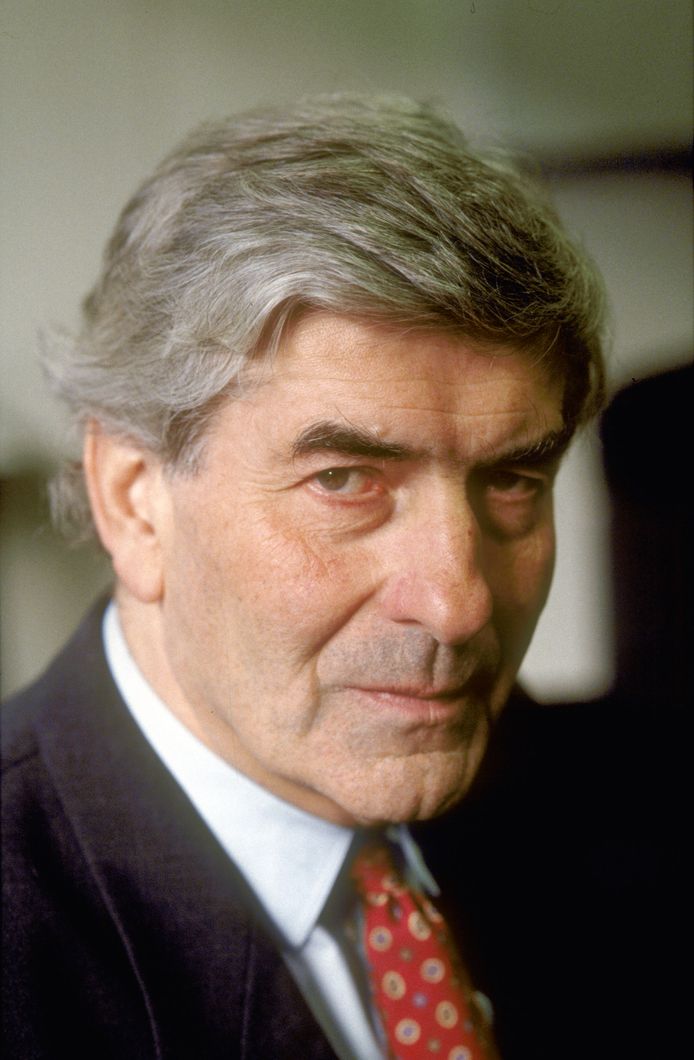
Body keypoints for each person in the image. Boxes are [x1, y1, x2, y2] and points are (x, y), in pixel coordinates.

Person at [2, 94, 607, 1059]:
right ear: (133, 499)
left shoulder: (629, 811)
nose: (458, 604)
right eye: (345, 481)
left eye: (512, 481)